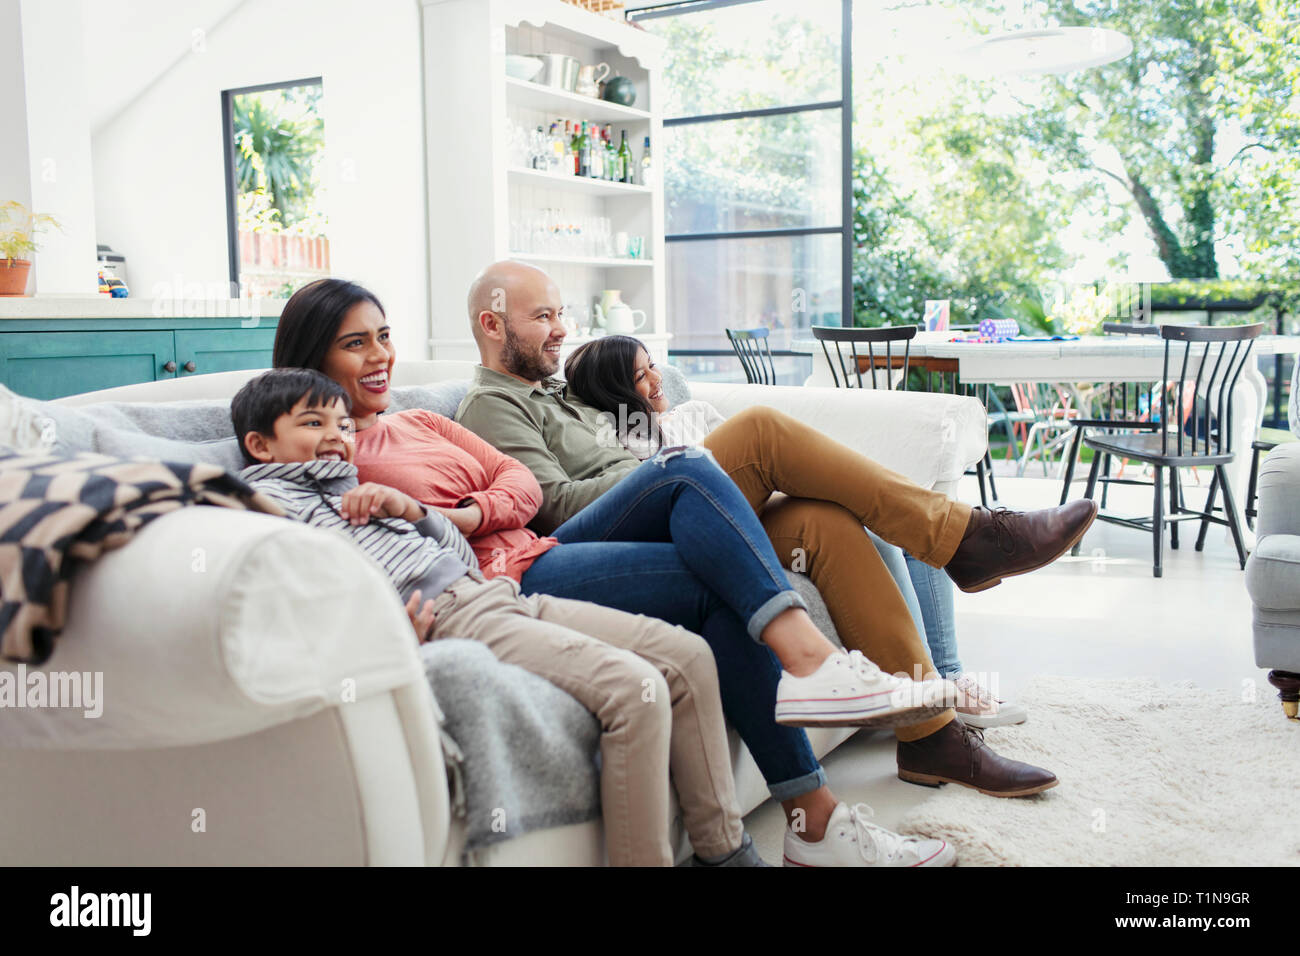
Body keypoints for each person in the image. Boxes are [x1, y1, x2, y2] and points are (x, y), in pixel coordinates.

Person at [272, 278, 961, 868]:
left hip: (540, 550)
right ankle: (831, 651)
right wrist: (436, 537)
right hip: (511, 583)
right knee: (690, 466)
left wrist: (472, 509)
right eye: (355, 343)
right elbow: (325, 542)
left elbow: (521, 487)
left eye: (383, 336)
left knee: (731, 557)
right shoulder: (319, 452)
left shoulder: (424, 420)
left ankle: (815, 822)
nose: (380, 356)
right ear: (311, 361)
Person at [455, 260, 1093, 802]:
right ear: (491, 324)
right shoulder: (493, 403)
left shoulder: (560, 391)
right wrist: (660, 471)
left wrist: (656, 442)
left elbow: (628, 423)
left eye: (561, 313)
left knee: (824, 522)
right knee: (759, 431)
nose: (561, 328)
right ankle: (971, 540)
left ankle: (931, 737)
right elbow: (555, 507)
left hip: (671, 508)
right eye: (543, 317)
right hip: (604, 539)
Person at [230, 366, 781, 867]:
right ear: (260, 445)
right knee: (634, 690)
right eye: (312, 423)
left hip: (492, 593)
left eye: (343, 425)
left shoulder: (355, 488)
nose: (336, 436)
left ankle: (725, 853)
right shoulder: (269, 504)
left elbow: (463, 550)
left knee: (686, 657)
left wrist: (416, 512)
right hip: (452, 615)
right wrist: (387, 635)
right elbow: (302, 592)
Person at [563, 334, 1027, 728]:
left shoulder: (695, 413)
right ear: (617, 392)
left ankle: (946, 672)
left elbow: (767, 471)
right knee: (834, 497)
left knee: (885, 526)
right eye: (641, 376)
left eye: (653, 367)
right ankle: (941, 660)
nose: (657, 380)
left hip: (765, 502)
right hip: (715, 522)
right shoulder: (626, 442)